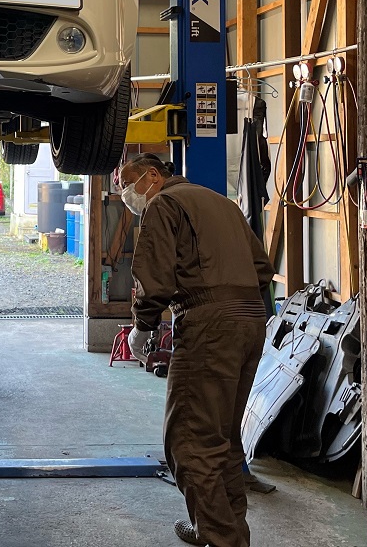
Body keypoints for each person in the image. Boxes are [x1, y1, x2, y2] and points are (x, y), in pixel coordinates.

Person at [121, 153, 274, 547]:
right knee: (222, 438)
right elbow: (262, 268)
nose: (127, 194)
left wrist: (142, 326)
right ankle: (222, 529)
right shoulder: (223, 203)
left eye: (128, 184)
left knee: (189, 443)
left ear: (152, 175)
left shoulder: (162, 203)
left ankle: (222, 539)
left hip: (210, 326)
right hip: (251, 321)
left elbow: (154, 277)